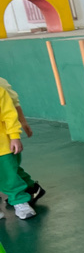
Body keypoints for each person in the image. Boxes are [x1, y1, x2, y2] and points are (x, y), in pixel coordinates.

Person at [0, 79, 38, 220]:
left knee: (9, 176)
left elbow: (9, 115)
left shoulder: (1, 90)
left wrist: (14, 136)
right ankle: (30, 187)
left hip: (2, 146)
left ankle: (20, 201)